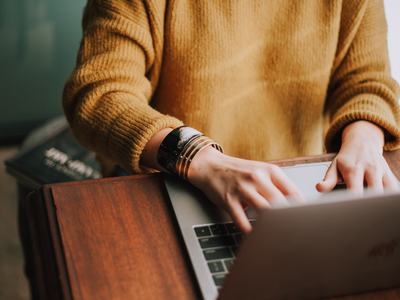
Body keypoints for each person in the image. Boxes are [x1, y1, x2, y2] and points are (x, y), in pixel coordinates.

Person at [63, 0, 400, 233]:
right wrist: (196, 157)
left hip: (300, 188)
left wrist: (365, 137)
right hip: (175, 180)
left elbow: (367, 79)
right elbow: (99, 94)